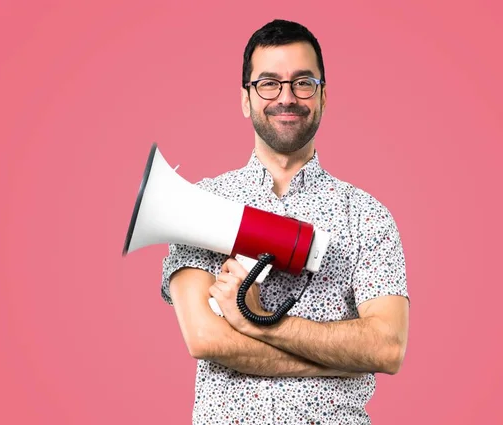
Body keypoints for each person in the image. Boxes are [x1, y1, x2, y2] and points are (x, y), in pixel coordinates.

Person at [161, 19, 410, 425]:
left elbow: (386, 348)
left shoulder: (366, 215)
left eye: (303, 83)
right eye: (269, 83)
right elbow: (206, 339)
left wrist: (258, 322)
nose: (287, 97)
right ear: (246, 99)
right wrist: (336, 364)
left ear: (323, 96)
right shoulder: (194, 205)